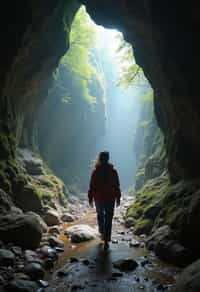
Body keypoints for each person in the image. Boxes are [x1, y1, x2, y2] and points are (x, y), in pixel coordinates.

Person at [88, 151, 121, 250]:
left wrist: (90, 198)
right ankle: (106, 238)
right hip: (110, 198)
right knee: (109, 218)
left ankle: (102, 232)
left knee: (100, 216)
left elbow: (92, 186)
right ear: (108, 158)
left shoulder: (96, 171)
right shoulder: (113, 171)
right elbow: (117, 186)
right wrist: (118, 198)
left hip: (99, 198)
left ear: (100, 158)